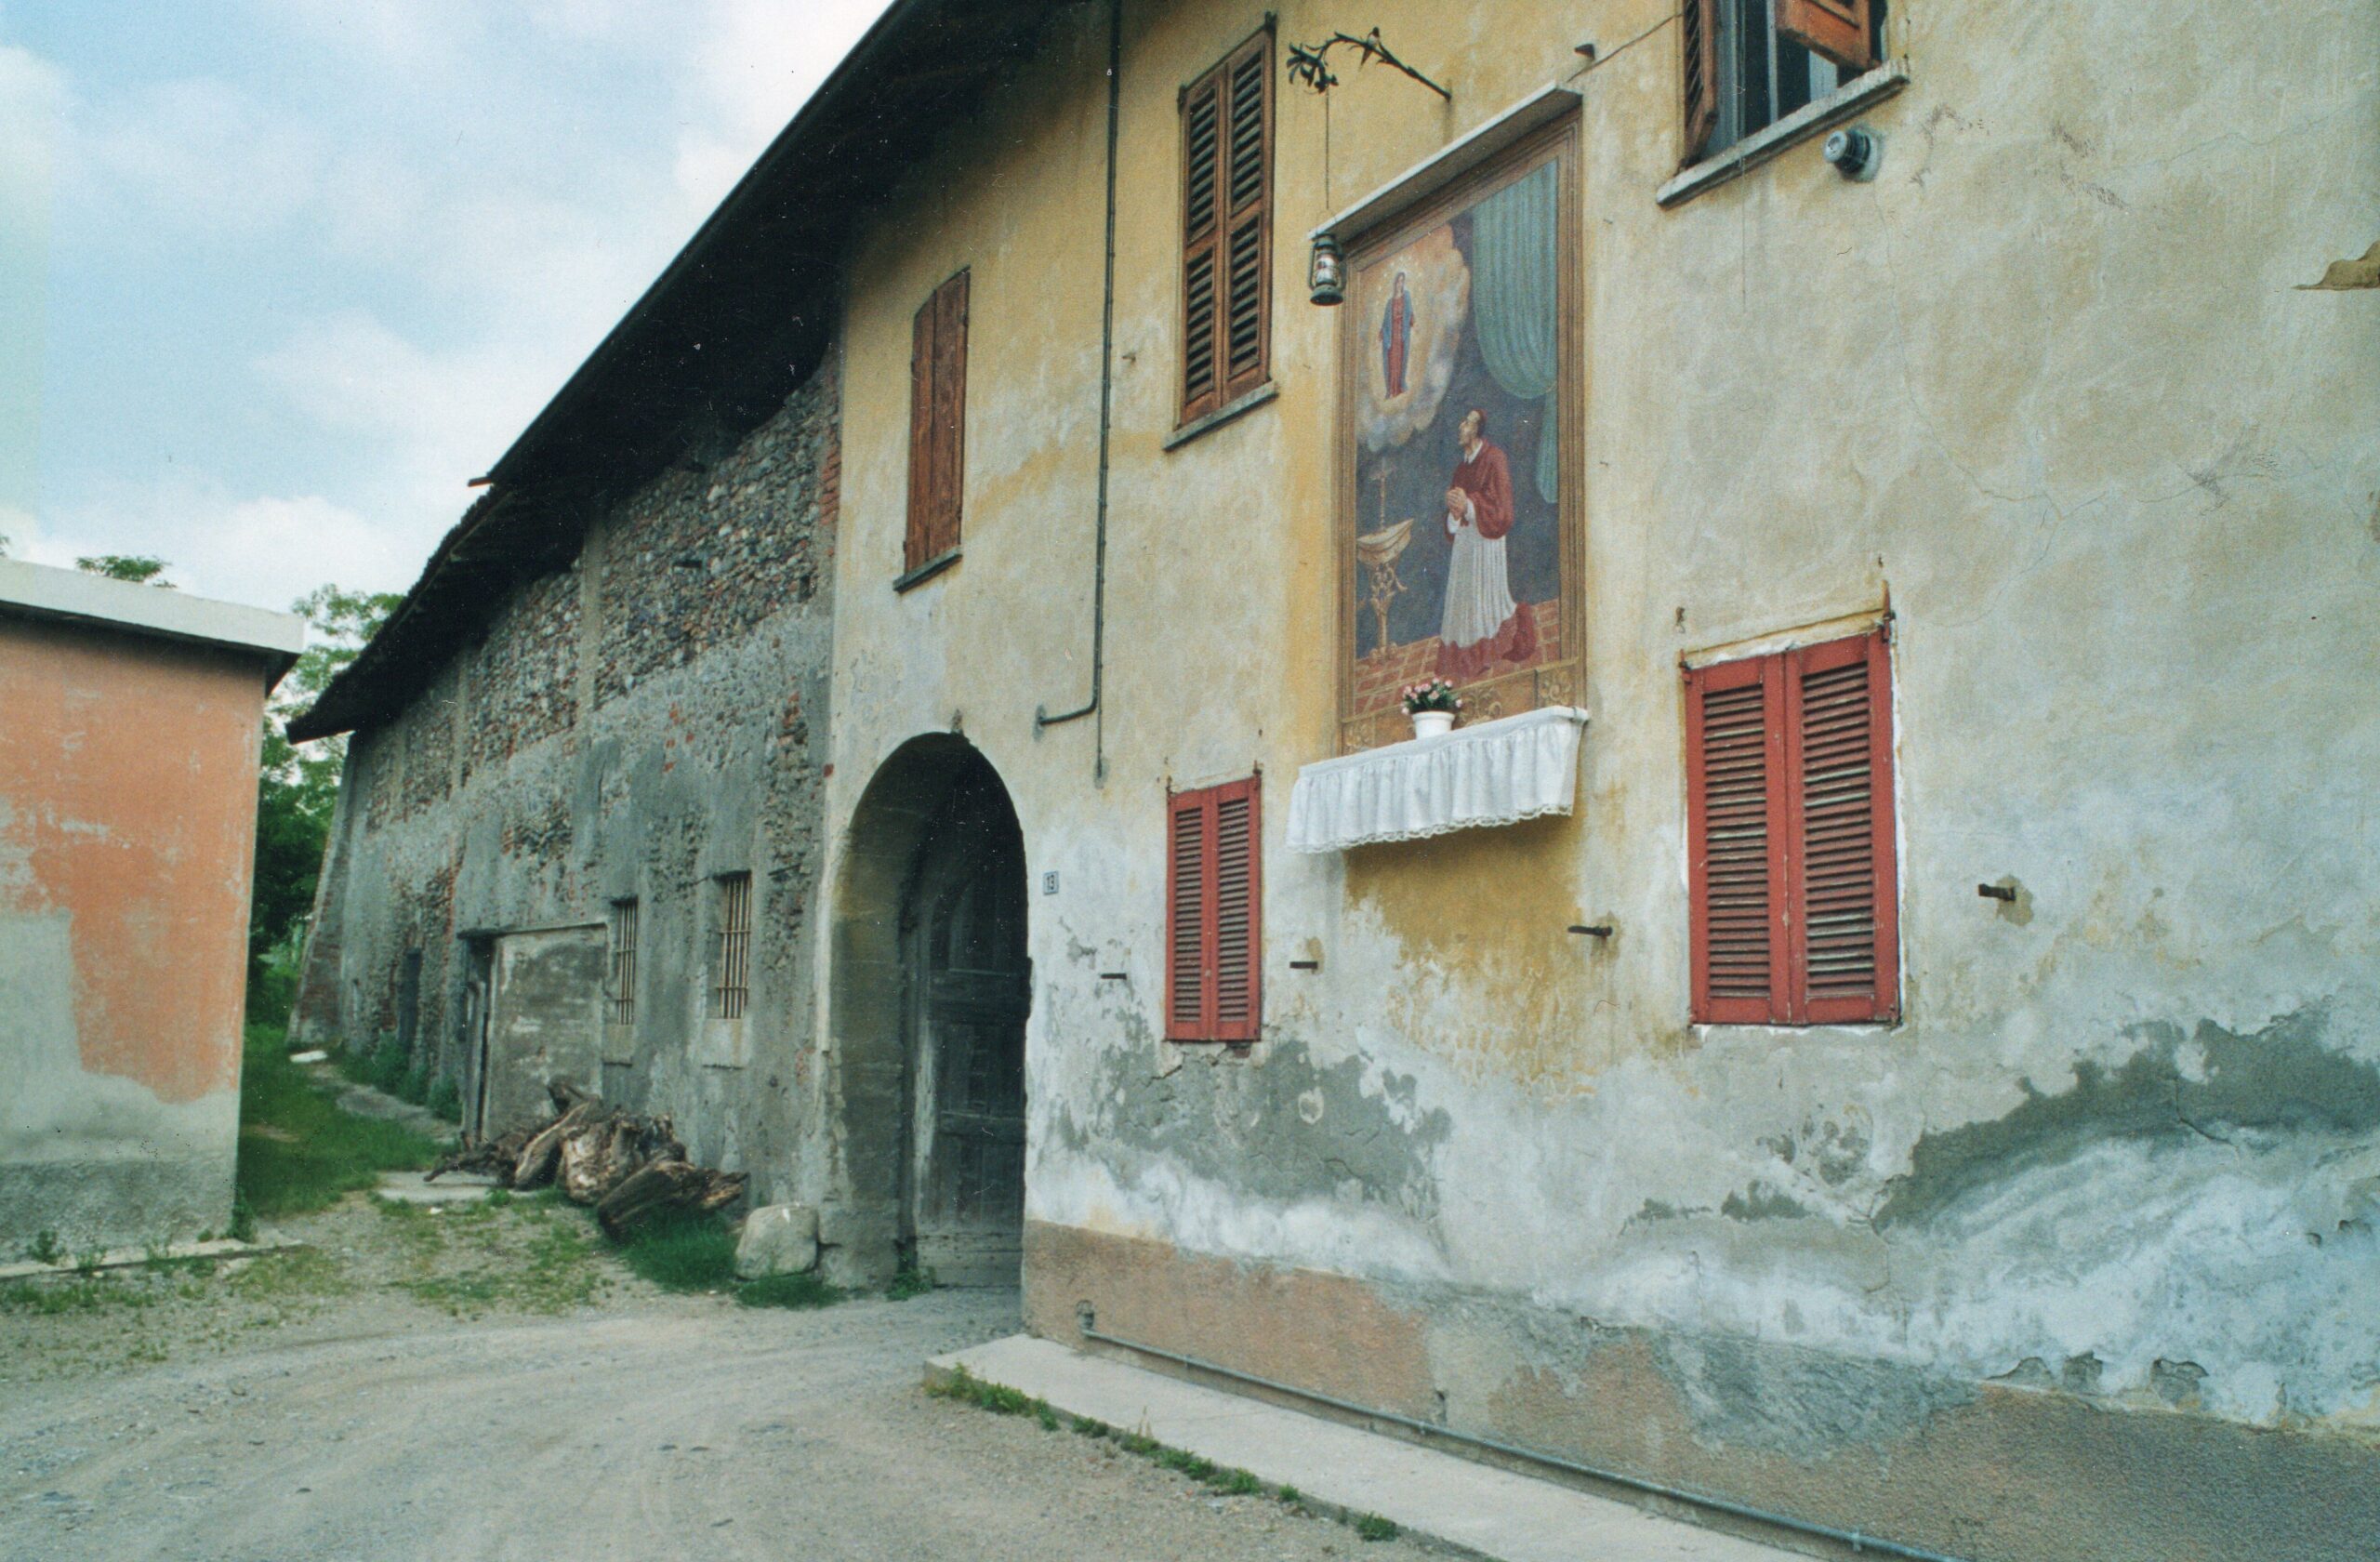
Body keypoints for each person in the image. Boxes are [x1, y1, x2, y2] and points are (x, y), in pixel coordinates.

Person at [1436, 407, 1536, 682]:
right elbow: (1455, 515)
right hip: (1465, 546)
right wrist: (1454, 513)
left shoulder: (1494, 458)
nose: (1461, 427)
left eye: (1467, 423)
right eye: (1462, 421)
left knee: (1485, 602)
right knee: (1465, 602)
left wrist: (1469, 505)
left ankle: (1487, 652)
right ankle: (1466, 658)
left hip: (1486, 543)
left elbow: (1502, 508)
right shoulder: (1461, 468)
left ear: (1478, 429)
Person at [1381, 271, 1415, 397]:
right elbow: (1385, 322)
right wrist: (1382, 332)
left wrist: (1411, 319)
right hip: (1392, 335)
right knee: (1392, 362)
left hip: (1402, 334)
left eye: (1402, 281)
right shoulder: (1390, 303)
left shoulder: (1406, 296)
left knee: (1400, 360)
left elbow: (1410, 313)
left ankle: (1400, 386)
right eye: (1398, 281)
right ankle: (1391, 389)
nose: (1400, 284)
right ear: (1395, 283)